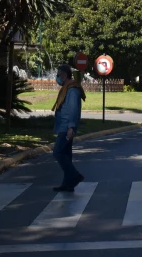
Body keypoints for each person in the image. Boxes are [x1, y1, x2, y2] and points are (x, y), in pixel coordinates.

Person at [52, 64, 86, 192]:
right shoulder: (67, 88)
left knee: (58, 152)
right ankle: (68, 184)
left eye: (59, 75)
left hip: (66, 127)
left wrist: (71, 127)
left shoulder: (72, 90)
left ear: (65, 75)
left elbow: (73, 110)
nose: (57, 78)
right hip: (64, 125)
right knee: (66, 155)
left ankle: (74, 176)